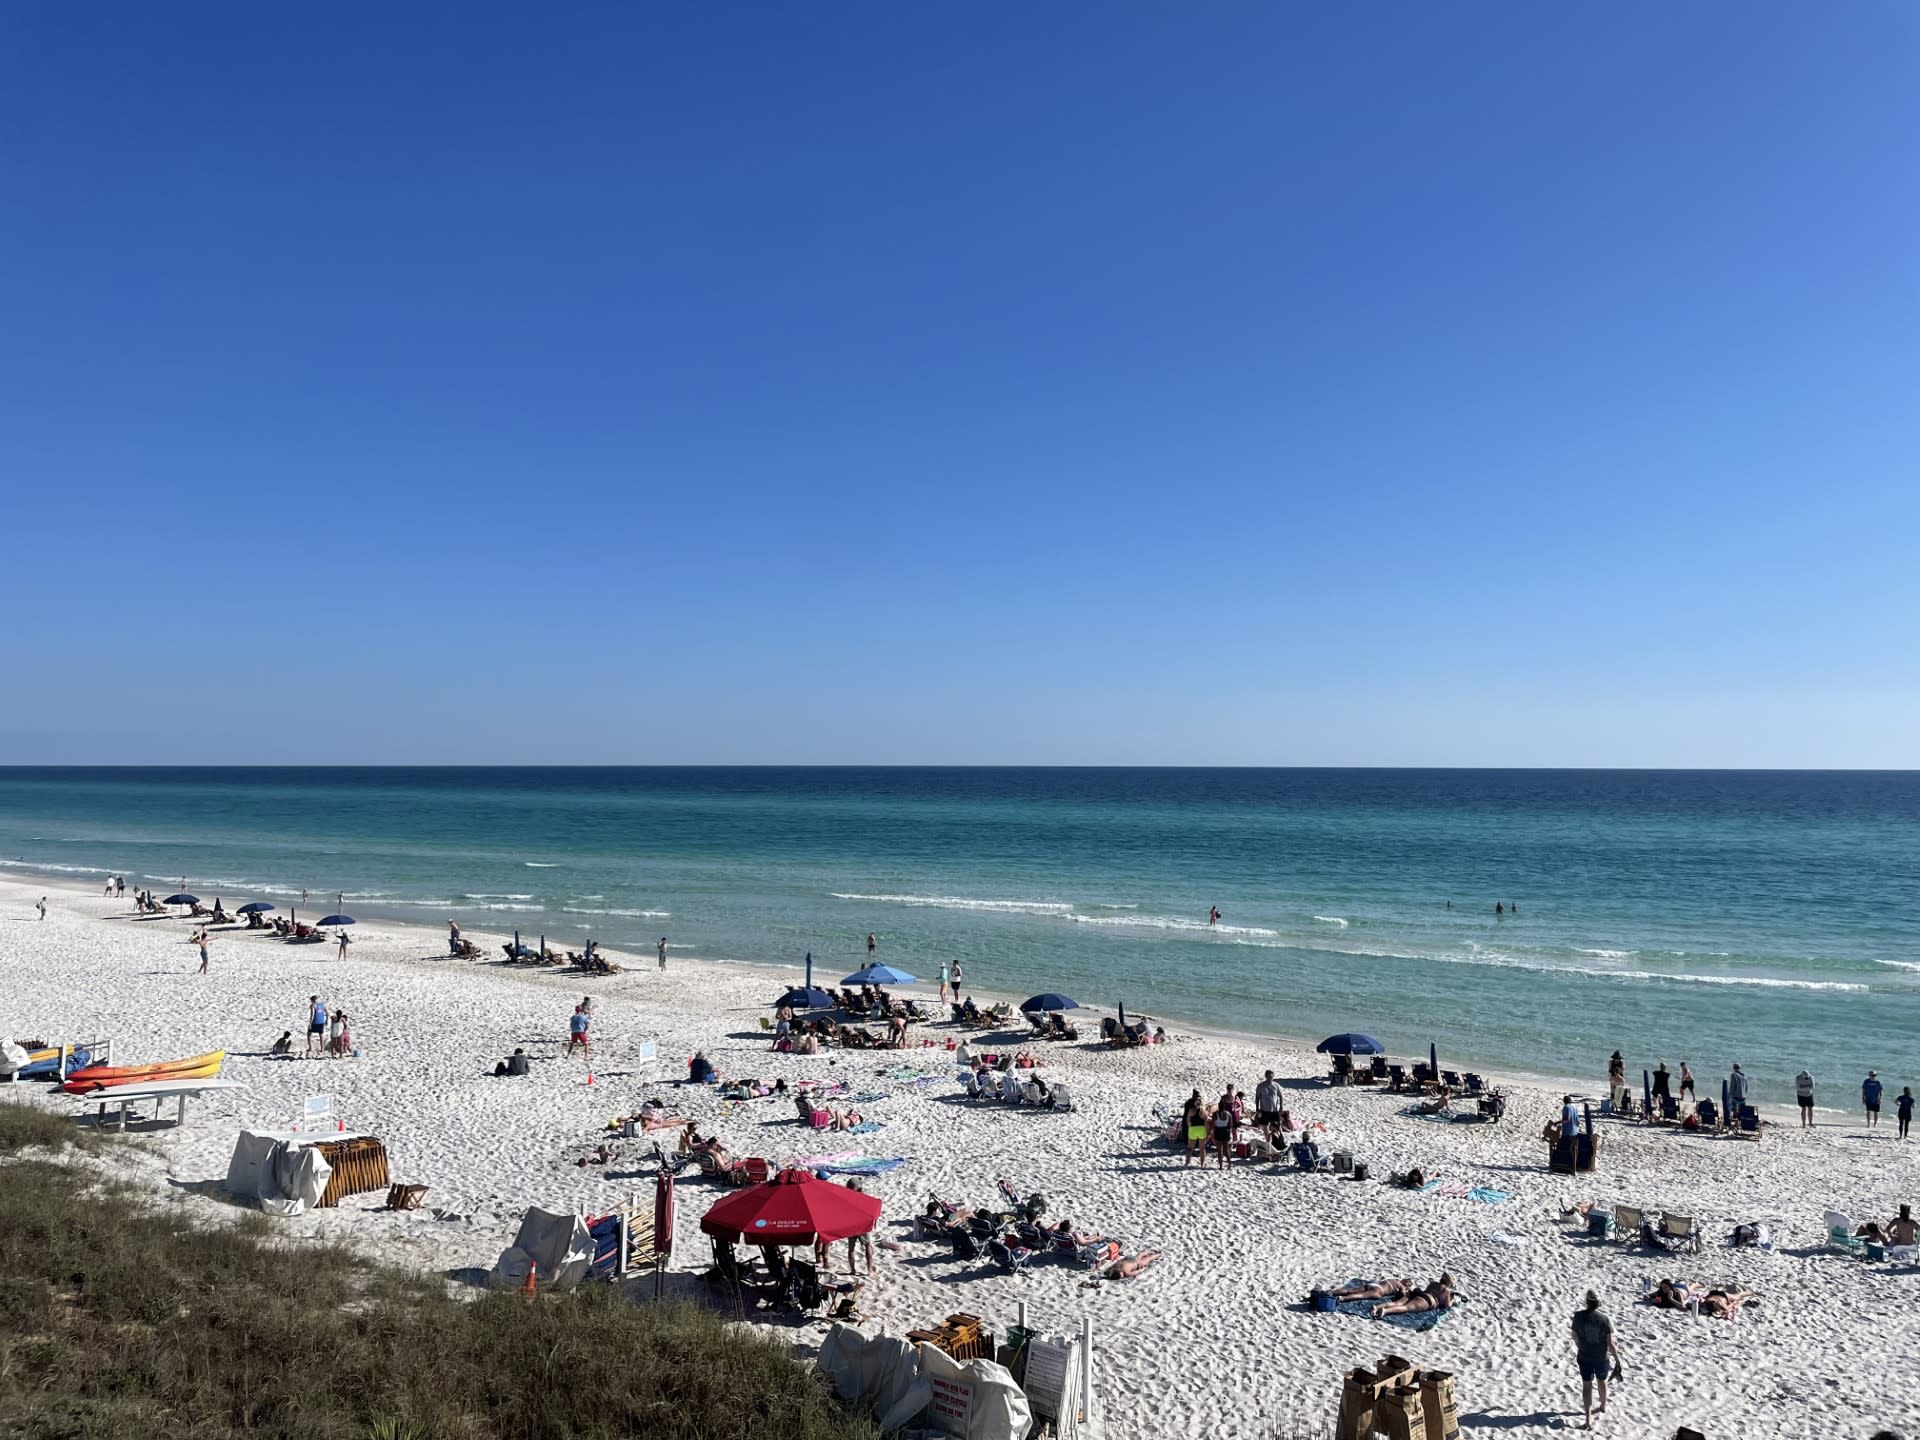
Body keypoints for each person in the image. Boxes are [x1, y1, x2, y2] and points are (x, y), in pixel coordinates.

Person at [1572, 1290, 1621, 1429]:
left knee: (1587, 1386)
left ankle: (1588, 1420)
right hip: (1601, 1357)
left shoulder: (1578, 1316)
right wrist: (1618, 1360)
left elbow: (1574, 1336)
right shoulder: (1604, 1319)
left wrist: (1580, 1345)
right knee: (1602, 1381)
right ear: (1599, 1303)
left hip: (1584, 1356)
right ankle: (1603, 1406)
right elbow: (1611, 1344)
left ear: (1586, 1302)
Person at [1374, 1274, 1452, 1317]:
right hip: (1428, 1301)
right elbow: (1447, 1305)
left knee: (1396, 1303)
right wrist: (1452, 1300)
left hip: (1420, 1294)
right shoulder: (1447, 1291)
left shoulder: (1433, 1284)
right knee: (1406, 1308)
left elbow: (1426, 1291)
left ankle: (1377, 1307)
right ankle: (1385, 1311)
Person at [1181, 1090, 1206, 1168]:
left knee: (1189, 1148)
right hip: (1201, 1129)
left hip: (1193, 1129)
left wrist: (1190, 1127)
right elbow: (1206, 1121)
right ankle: (1202, 1164)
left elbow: (1188, 1120)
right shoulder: (1203, 1111)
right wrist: (1207, 1130)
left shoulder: (1191, 1111)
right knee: (1202, 1149)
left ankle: (1187, 1163)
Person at [1211, 1088, 1235, 1168]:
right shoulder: (1228, 1114)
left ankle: (1221, 1166)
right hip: (1226, 1131)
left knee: (1219, 1151)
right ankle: (1229, 1165)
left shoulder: (1215, 1114)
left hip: (1218, 1131)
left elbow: (1212, 1124)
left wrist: (1212, 1132)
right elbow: (1230, 1125)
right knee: (1226, 1150)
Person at [1333, 1278, 1410, 1301]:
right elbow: (1402, 1294)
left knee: (1351, 1290)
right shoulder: (1401, 1286)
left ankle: (1332, 1292)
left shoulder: (1394, 1280)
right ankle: (1342, 1298)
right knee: (1362, 1296)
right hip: (1380, 1290)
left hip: (1374, 1284)